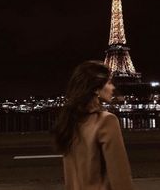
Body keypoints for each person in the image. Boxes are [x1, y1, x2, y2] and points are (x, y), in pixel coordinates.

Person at [53, 60, 135, 190]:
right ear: (96, 89)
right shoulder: (107, 121)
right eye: (109, 82)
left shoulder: (69, 121)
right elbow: (119, 175)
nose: (113, 87)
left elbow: (69, 177)